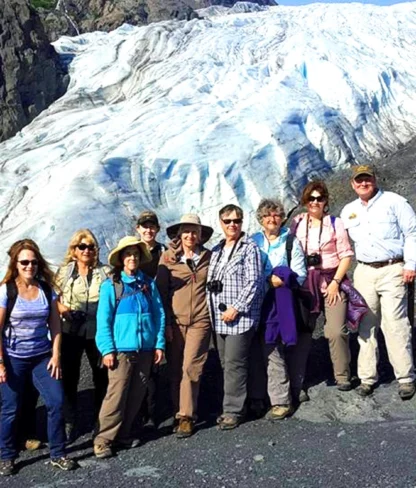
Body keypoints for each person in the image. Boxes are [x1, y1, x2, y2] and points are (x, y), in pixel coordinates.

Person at [0, 239, 76, 476]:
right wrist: (0, 362)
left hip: (41, 356)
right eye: (24, 262)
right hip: (13, 358)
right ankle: (6, 455)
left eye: (33, 262)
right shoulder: (7, 290)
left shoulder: (46, 290)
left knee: (56, 401)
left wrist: (56, 355)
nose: (29, 266)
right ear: (16, 263)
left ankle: (58, 454)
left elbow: (54, 324)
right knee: (10, 408)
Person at [341, 165, 416, 398]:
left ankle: (405, 377)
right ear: (353, 184)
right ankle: (367, 377)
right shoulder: (348, 210)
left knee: (395, 324)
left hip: (392, 268)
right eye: (359, 180)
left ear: (374, 179)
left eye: (367, 179)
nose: (363, 184)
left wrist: (411, 264)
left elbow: (412, 232)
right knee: (365, 324)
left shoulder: (395, 202)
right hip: (364, 271)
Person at [94, 236, 165, 459]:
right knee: (116, 394)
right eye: (128, 254)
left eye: (135, 253)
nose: (132, 257)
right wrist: (107, 349)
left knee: (136, 393)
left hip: (145, 347)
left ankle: (123, 434)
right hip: (121, 350)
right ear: (121, 259)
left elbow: (159, 314)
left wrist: (159, 343)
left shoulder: (148, 284)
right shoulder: (111, 286)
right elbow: (103, 320)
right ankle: (103, 439)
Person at [292, 181, 355, 391]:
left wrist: (336, 282)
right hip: (305, 283)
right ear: (305, 200)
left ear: (326, 200)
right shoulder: (298, 223)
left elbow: (346, 255)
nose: (315, 202)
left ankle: (342, 375)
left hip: (331, 280)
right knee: (303, 331)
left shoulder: (336, 223)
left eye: (319, 198)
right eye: (311, 198)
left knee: (336, 330)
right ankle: (297, 381)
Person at [207, 204, 264, 430]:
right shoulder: (216, 249)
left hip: (239, 317)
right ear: (221, 223)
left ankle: (232, 410)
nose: (233, 225)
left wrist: (237, 307)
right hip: (218, 317)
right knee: (227, 362)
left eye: (236, 221)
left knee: (234, 364)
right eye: (228, 221)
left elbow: (255, 281)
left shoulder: (249, 248)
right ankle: (251, 399)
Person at [156, 214, 213, 438]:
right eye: (186, 231)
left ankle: (186, 416)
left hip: (201, 319)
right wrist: (167, 323)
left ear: (200, 235)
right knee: (175, 369)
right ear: (179, 234)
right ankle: (177, 410)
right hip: (176, 321)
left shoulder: (209, 257)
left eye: (194, 231)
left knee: (191, 367)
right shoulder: (167, 258)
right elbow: (160, 294)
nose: (190, 236)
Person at [251, 198, 308, 420]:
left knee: (274, 346)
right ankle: (271, 395)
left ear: (282, 217)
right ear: (260, 220)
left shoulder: (291, 240)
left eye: (275, 215)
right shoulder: (253, 241)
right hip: (258, 302)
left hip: (284, 302)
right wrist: (267, 279)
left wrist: (282, 279)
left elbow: (300, 274)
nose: (272, 219)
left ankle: (282, 399)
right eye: (267, 216)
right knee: (264, 348)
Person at [55, 229, 110, 443]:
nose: (86, 250)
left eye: (90, 246)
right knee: (69, 377)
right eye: (82, 246)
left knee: (102, 376)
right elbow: (53, 299)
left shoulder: (105, 272)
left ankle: (102, 421)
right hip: (71, 330)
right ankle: (69, 421)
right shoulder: (65, 272)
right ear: (74, 249)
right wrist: (65, 310)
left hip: (98, 331)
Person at [136, 210, 166, 428]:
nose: (148, 230)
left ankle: (152, 413)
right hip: (136, 315)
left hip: (157, 310)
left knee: (155, 364)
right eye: (144, 226)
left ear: (157, 228)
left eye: (152, 226)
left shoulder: (164, 252)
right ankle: (137, 412)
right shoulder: (131, 252)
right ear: (138, 229)